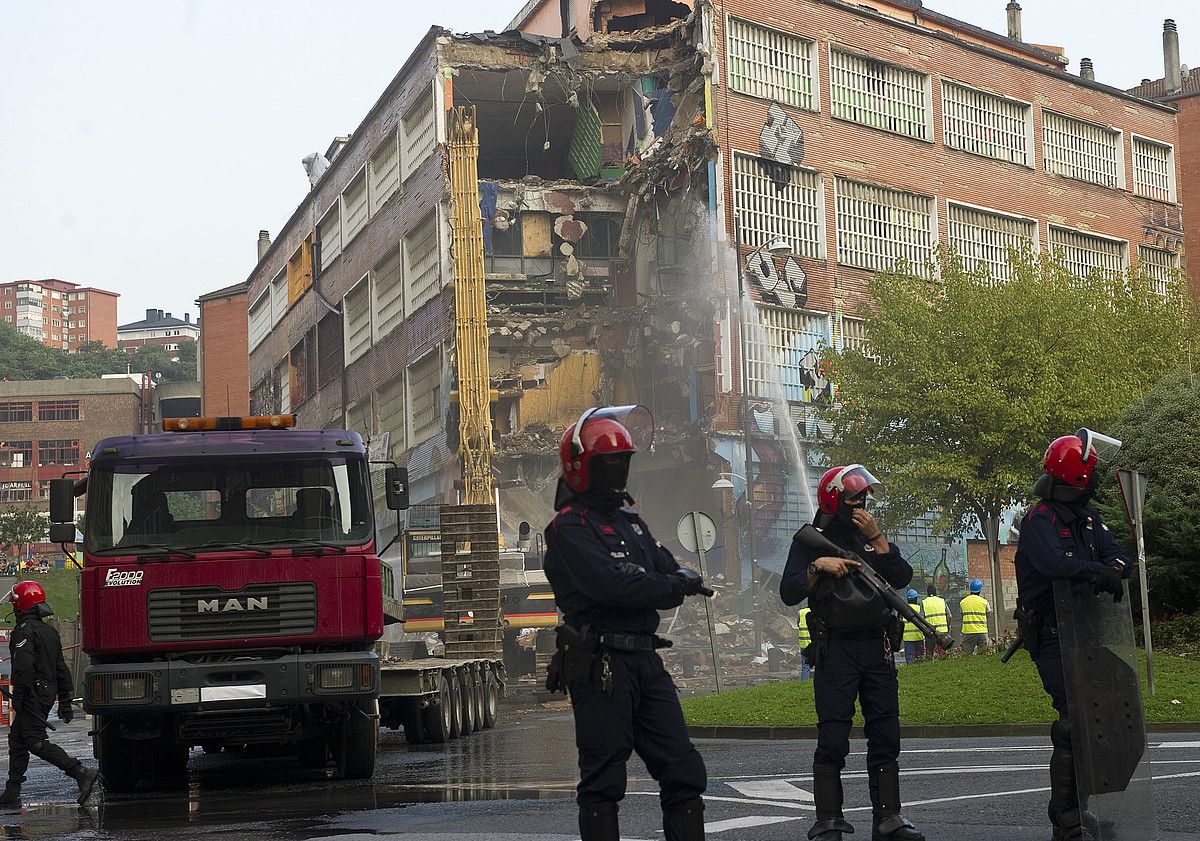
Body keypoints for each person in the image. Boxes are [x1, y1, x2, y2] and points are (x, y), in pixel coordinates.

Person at [543, 408, 708, 841]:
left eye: (624, 461)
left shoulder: (631, 522)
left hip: (646, 660)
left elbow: (669, 568)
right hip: (601, 664)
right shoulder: (568, 528)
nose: (619, 470)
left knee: (684, 769)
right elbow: (612, 585)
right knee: (603, 780)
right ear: (581, 466)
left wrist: (654, 582)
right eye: (608, 462)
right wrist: (661, 584)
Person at [780, 465, 924, 841]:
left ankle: (889, 818)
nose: (860, 504)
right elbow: (788, 591)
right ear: (833, 499)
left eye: (864, 497)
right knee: (832, 736)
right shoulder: (812, 541)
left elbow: (902, 577)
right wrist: (817, 566)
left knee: (886, 733)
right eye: (852, 498)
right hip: (836, 651)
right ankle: (828, 820)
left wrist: (878, 540)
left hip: (878, 648)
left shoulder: (869, 537)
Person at [1015, 432, 1131, 841]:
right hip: (1051, 635)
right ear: (1079, 476)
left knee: (1095, 722)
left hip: (1087, 630)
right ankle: (1067, 819)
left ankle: (1085, 813)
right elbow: (1053, 563)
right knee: (1073, 722)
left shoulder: (1089, 518)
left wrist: (1112, 568)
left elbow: (1119, 554)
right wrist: (1096, 570)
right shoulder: (1039, 519)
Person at [1, 581, 99, 807]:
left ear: (22, 606)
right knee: (17, 738)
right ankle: (12, 790)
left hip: (33, 693)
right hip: (46, 692)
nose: (14, 610)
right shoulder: (50, 631)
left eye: (15, 605)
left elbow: (23, 666)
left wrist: (21, 695)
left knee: (34, 741)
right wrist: (64, 701)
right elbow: (61, 668)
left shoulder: (23, 631)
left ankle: (80, 772)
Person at [959, 579, 991, 654]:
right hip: (982, 632)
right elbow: (988, 614)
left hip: (968, 632)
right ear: (980, 590)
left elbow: (962, 615)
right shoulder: (984, 602)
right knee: (983, 654)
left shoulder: (963, 602)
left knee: (966, 655)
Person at [920, 585, 950, 657]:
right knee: (942, 654)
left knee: (929, 654)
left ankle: (929, 667)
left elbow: (921, 618)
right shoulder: (942, 601)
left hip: (930, 633)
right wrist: (948, 626)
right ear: (935, 592)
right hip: (942, 632)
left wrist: (924, 630)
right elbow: (949, 616)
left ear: (927, 593)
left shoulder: (924, 602)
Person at [901, 589, 926, 664]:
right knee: (919, 659)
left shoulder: (903, 609)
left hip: (908, 639)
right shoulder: (919, 608)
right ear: (916, 598)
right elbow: (923, 621)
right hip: (918, 637)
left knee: (910, 660)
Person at [798, 600, 813, 680]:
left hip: (804, 644)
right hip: (815, 644)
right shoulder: (816, 611)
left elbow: (798, 624)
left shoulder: (800, 612)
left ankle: (803, 683)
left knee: (805, 666)